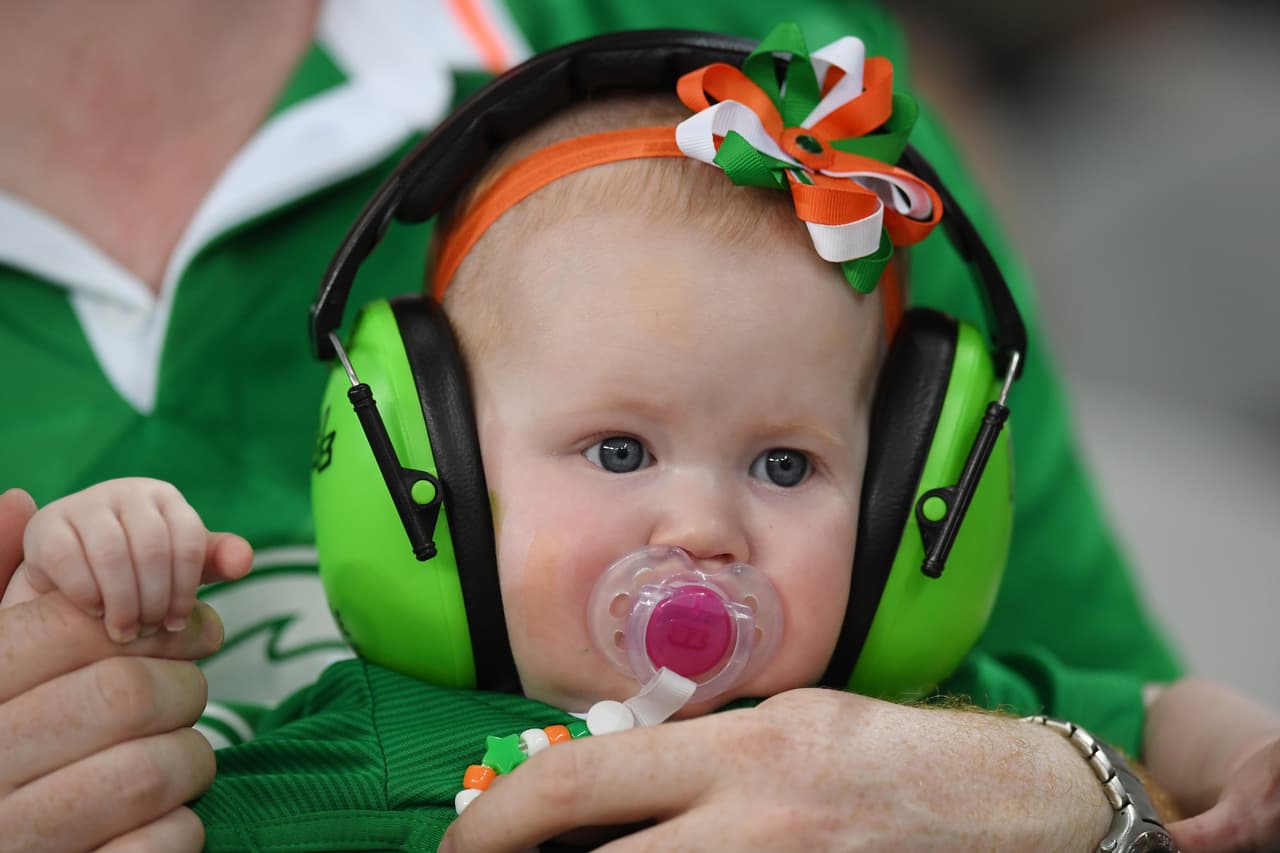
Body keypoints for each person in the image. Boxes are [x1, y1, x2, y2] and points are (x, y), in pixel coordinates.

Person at [1, 2, 1273, 851]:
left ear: (898, 511)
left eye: (786, 464)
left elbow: (1162, 722)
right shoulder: (344, 756)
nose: (702, 523)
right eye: (618, 451)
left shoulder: (934, 708)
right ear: (435, 479)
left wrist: (1225, 771)